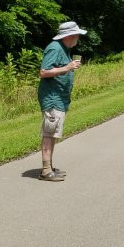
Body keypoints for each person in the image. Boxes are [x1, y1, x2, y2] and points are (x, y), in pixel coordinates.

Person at [37, 20, 86, 181]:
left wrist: (69, 67)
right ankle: (45, 170)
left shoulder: (64, 49)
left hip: (60, 98)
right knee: (49, 133)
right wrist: (67, 68)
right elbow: (44, 72)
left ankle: (49, 166)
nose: (78, 37)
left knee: (53, 133)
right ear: (70, 35)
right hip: (52, 98)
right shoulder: (55, 47)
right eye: (77, 34)